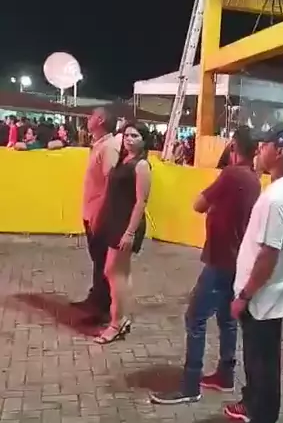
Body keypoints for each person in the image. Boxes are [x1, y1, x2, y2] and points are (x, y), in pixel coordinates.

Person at [150, 127, 260, 404]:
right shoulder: (254, 179)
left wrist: (213, 206)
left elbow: (198, 204)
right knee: (226, 319)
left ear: (234, 146)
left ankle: (190, 385)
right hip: (236, 259)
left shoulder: (232, 174)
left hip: (221, 259)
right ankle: (225, 374)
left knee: (195, 318)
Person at [223, 123, 283, 423]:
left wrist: (244, 294)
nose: (259, 150)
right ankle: (252, 403)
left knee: (263, 363)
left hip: (262, 295)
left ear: (280, 151)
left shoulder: (276, 198)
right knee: (258, 358)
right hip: (273, 291)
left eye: (265, 146)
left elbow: (269, 254)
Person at [94, 122, 151, 344]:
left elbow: (141, 202)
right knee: (120, 273)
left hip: (127, 224)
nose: (129, 139)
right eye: (126, 135)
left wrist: (129, 232)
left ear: (144, 140)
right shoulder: (123, 160)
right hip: (115, 221)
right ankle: (121, 318)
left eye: (135, 136)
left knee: (113, 271)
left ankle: (116, 323)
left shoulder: (141, 165)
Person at [75, 108, 120, 325]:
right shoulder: (99, 145)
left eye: (91, 115)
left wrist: (100, 215)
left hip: (98, 216)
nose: (88, 119)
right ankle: (95, 298)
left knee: (102, 263)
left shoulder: (109, 147)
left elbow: (111, 185)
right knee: (97, 261)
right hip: (91, 212)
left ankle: (102, 309)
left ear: (100, 120)